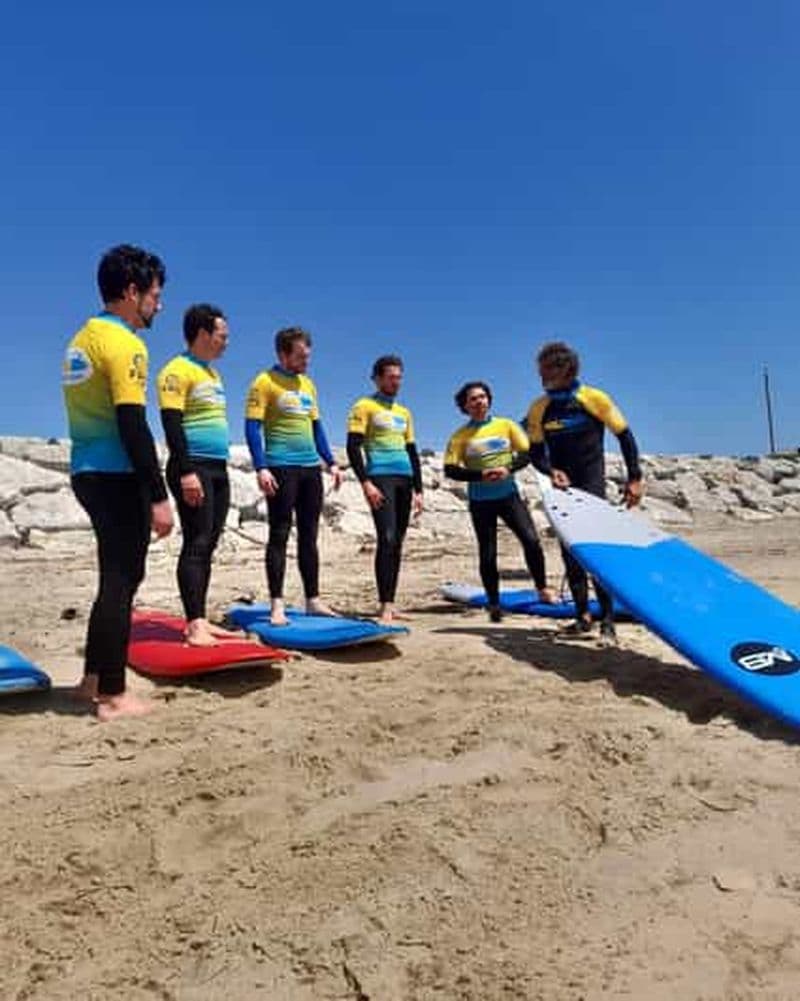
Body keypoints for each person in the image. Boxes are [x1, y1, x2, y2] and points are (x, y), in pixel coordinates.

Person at [62, 244, 173, 721]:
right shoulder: (127, 344)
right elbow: (133, 424)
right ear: (131, 292)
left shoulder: (81, 340)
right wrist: (158, 494)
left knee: (114, 575)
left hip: (86, 470)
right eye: (154, 294)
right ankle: (113, 694)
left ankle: (90, 679)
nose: (158, 305)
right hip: (116, 473)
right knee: (122, 580)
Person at [526, 341, 643, 643]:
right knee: (570, 552)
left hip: (592, 484)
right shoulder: (540, 408)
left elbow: (625, 437)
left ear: (565, 370)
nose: (540, 378)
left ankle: (608, 621)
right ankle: (582, 616)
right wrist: (551, 471)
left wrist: (635, 478)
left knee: (596, 554)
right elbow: (535, 453)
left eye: (546, 372)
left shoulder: (594, 398)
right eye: (539, 372)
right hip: (562, 488)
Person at [244, 326, 343, 625]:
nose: (306, 361)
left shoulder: (308, 385)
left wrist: (331, 462)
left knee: (309, 536)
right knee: (279, 533)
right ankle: (277, 604)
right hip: (280, 466)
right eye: (300, 356)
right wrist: (261, 467)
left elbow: (317, 428)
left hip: (310, 468)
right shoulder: (264, 381)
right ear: (283, 353)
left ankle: (313, 599)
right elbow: (252, 427)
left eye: (308, 356)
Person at [444, 381, 555, 622]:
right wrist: (479, 475)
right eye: (473, 399)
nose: (479, 401)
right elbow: (450, 470)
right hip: (480, 501)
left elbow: (527, 454)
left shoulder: (506, 425)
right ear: (465, 405)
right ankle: (494, 603)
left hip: (508, 496)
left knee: (532, 540)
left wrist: (509, 468)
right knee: (488, 553)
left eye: (483, 396)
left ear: (489, 400)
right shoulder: (460, 436)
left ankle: (542, 588)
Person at [158, 304, 234, 646]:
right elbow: (172, 424)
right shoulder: (176, 370)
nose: (226, 342)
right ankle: (193, 623)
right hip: (193, 467)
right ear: (203, 334)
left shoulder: (213, 375)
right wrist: (187, 472)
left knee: (209, 543)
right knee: (197, 541)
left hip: (217, 467)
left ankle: (201, 618)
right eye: (222, 335)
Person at [346, 355, 424, 623]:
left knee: (397, 543)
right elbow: (353, 446)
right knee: (387, 538)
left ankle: (390, 603)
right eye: (391, 377)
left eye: (399, 377)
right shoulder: (364, 406)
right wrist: (366, 482)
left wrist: (419, 489)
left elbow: (412, 451)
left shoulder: (404, 413)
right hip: (381, 478)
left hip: (405, 479)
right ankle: (383, 606)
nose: (396, 382)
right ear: (378, 378)